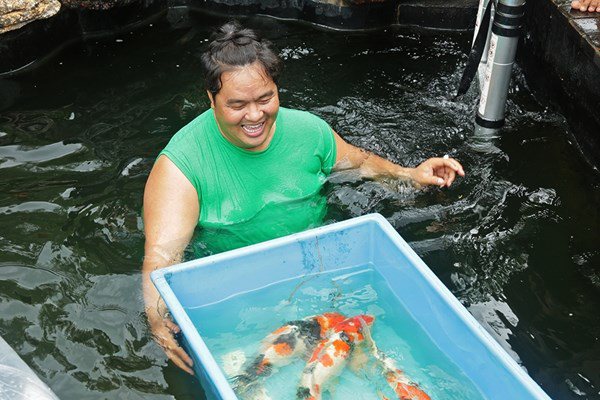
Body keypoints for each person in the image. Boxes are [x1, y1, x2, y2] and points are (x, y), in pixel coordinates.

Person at [141, 21, 465, 375]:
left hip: (320, 271)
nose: (255, 115)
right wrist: (158, 322)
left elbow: (361, 165)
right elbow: (161, 257)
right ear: (211, 99)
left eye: (265, 99)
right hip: (241, 295)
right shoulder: (181, 166)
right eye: (237, 105)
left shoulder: (309, 132)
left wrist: (410, 175)